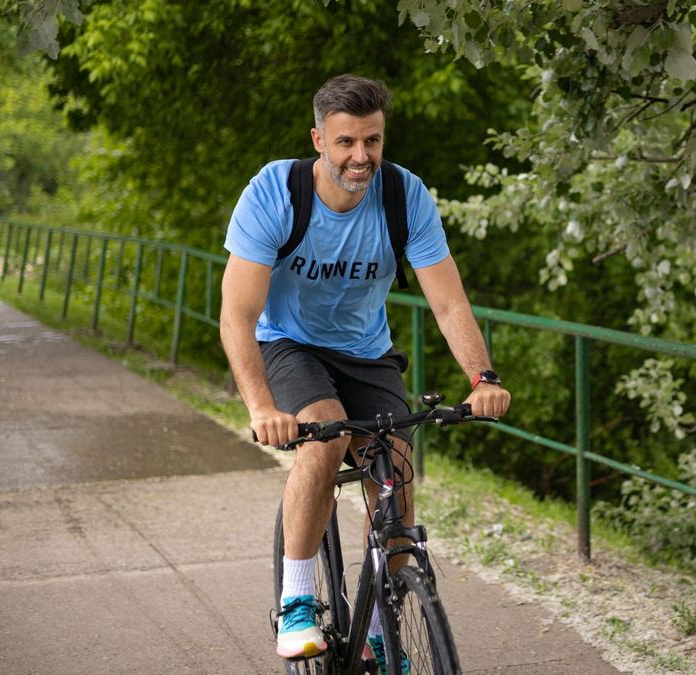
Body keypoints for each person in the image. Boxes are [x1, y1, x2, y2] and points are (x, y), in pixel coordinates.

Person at [219, 74, 511, 667]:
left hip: (366, 350)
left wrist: (483, 379)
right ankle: (299, 599)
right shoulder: (276, 192)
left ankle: (386, 628)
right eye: (347, 142)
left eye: (372, 141)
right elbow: (237, 314)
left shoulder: (405, 196)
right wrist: (261, 408)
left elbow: (449, 303)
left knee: (395, 469)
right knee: (325, 438)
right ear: (319, 139)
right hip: (289, 343)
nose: (361, 156)